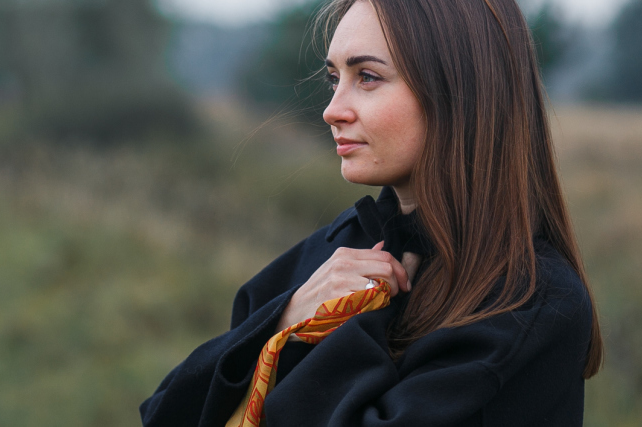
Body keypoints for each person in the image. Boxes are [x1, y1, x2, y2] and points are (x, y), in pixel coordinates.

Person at [139, 0, 604, 425]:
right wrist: (285, 319)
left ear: (457, 92)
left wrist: (340, 325)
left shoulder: (530, 303)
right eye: (333, 78)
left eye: (367, 77)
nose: (332, 110)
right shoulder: (335, 252)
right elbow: (164, 414)